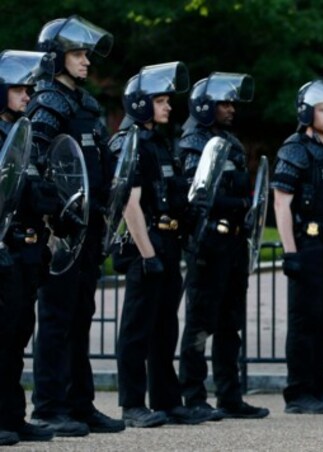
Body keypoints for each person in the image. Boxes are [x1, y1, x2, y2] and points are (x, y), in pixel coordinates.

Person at [26, 15, 125, 436]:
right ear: (56, 58)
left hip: (90, 226)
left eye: (86, 54)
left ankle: (80, 404)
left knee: (82, 315)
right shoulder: (46, 102)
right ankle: (49, 406)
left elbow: (101, 163)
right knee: (56, 317)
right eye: (78, 54)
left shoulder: (85, 104)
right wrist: (53, 218)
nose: (86, 62)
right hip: (59, 231)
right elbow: (32, 163)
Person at [111, 62, 212, 428]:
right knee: (137, 329)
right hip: (147, 245)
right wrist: (147, 253)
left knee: (164, 328)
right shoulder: (131, 142)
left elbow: (170, 194)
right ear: (140, 103)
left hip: (167, 243)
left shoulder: (160, 143)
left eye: (169, 100)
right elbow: (129, 202)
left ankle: (167, 401)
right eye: (161, 100)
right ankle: (132, 405)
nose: (169, 106)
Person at [178, 72, 269, 421]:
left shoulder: (230, 142)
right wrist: (234, 205)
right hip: (208, 243)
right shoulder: (192, 142)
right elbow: (198, 194)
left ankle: (231, 396)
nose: (231, 109)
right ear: (205, 106)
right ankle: (194, 396)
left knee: (231, 324)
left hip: (233, 243)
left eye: (232, 103)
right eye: (224, 103)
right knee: (200, 323)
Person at [271, 77, 323, 414]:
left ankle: (319, 388)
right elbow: (281, 204)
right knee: (304, 322)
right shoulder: (294, 148)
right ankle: (299, 392)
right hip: (306, 246)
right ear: (307, 112)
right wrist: (290, 252)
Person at [0, 50, 57, 446]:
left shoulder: (27, 135)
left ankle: (14, 418)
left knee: (18, 337)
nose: (28, 95)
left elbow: (37, 188)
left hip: (28, 251)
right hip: (5, 248)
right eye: (20, 88)